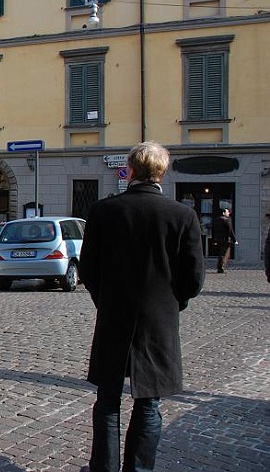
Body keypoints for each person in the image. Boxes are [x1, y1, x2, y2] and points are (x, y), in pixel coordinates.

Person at [79, 141, 204, 472]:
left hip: (114, 314)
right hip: (159, 319)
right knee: (149, 402)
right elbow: (193, 277)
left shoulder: (104, 210)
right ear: (162, 172)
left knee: (107, 400)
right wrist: (173, 303)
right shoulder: (182, 215)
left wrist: (104, 299)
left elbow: (88, 269)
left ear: (130, 170)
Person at [211, 207, 237, 273]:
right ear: (223, 213)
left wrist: (213, 240)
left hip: (218, 239)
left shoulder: (216, 220)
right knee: (225, 253)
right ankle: (221, 266)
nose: (229, 213)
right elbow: (230, 231)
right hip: (225, 240)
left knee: (220, 253)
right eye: (227, 212)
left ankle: (220, 267)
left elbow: (213, 230)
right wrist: (234, 240)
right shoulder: (227, 220)